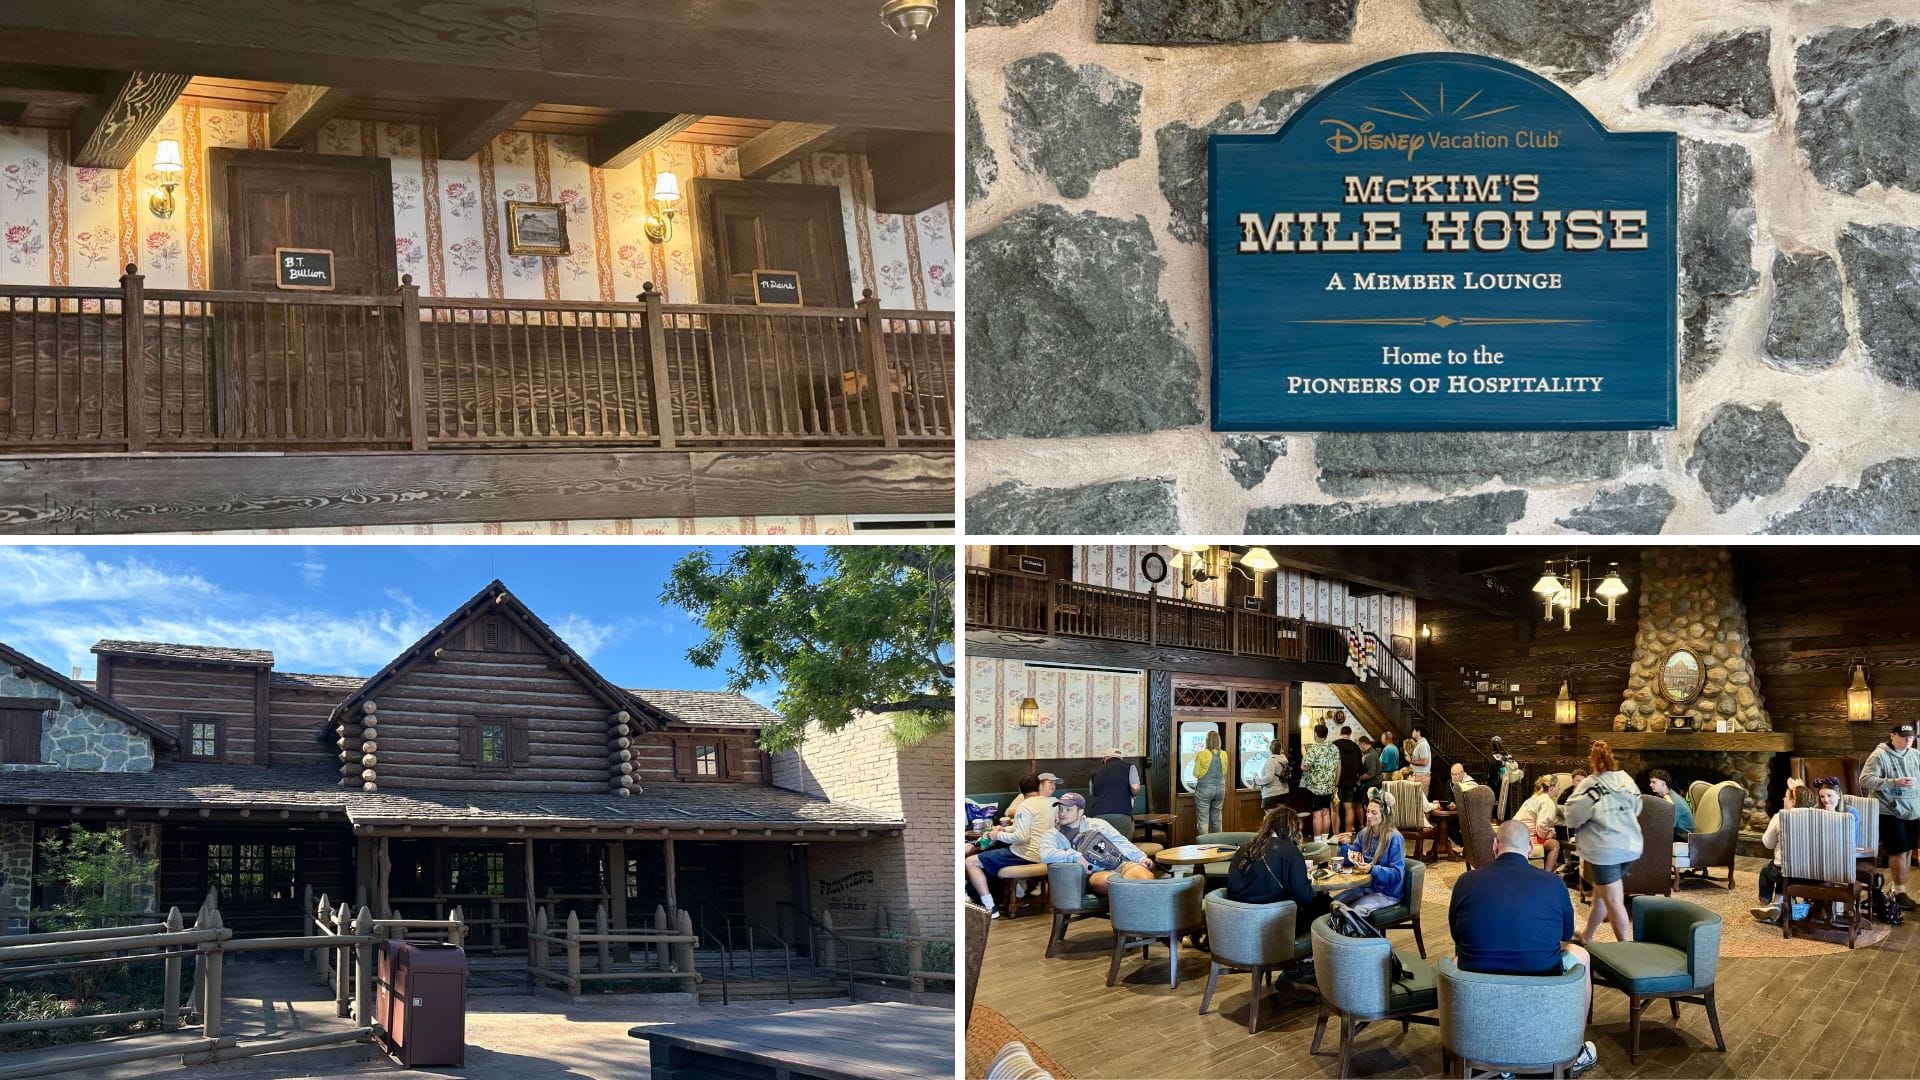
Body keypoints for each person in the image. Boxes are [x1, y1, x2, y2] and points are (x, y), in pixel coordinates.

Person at [1450, 819, 1599, 1077]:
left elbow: (1458, 937)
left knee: (1453, 960)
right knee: (1581, 956)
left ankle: (1479, 1047)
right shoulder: (1554, 883)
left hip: (1478, 984)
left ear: (1496, 845)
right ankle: (1573, 1052)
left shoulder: (1465, 881)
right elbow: (1565, 936)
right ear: (1530, 849)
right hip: (1540, 981)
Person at [1565, 740, 1642, 944]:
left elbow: (1573, 815)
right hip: (1631, 847)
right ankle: (1587, 934)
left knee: (1614, 901)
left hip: (1605, 852)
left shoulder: (1590, 784)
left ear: (1592, 760)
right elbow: (1638, 806)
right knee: (1601, 893)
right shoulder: (1625, 779)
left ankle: (1626, 951)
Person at [1225, 805, 1332, 924]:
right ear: (1292, 828)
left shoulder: (1243, 848)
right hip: (1273, 921)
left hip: (1237, 919)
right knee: (1326, 902)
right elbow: (1304, 897)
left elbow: (1231, 888)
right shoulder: (1290, 851)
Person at [965, 786, 1057, 919]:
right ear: (1038, 787)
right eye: (1050, 782)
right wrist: (1005, 830)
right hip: (1044, 853)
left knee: (970, 861)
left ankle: (990, 907)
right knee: (991, 853)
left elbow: (1021, 837)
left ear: (1021, 790)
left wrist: (997, 836)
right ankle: (1016, 894)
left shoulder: (1024, 805)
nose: (1052, 785)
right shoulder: (1048, 804)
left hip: (1025, 855)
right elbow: (1025, 828)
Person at [1039, 793, 1157, 893]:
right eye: (1060, 809)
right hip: (1095, 872)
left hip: (1119, 863)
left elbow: (1121, 842)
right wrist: (1076, 856)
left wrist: (1141, 858)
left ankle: (1144, 917)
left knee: (1145, 879)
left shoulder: (1098, 824)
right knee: (1116, 884)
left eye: (1068, 809)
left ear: (1080, 812)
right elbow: (1045, 854)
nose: (1062, 813)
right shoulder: (1052, 835)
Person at [1860, 722, 1920, 911]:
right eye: (1903, 737)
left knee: (1909, 849)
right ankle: (1899, 892)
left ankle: (1899, 890)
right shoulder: (1879, 755)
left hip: (1913, 809)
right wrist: (1893, 782)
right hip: (1889, 810)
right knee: (1898, 849)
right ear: (1892, 736)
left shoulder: (1915, 755)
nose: (1907, 741)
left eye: (1910, 738)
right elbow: (1865, 779)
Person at [1752, 784, 1820, 923]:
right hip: (1813, 874)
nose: (1783, 799)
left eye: (1786, 796)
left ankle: (1766, 906)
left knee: (1767, 869)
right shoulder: (1818, 817)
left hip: (1785, 873)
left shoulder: (1780, 816)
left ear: (1793, 801)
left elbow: (1767, 843)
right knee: (1781, 867)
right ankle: (1778, 904)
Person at [1332, 789, 1405, 916]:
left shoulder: (1395, 838)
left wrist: (1372, 869)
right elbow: (1350, 861)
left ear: (1385, 816)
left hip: (1387, 893)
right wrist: (1344, 846)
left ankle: (1354, 935)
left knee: (1353, 911)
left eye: (1374, 813)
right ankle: (1334, 934)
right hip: (1365, 887)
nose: (1368, 816)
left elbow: (1397, 875)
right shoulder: (1364, 834)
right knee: (1334, 904)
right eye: (1367, 811)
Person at [1301, 722, 1342, 839]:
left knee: (1317, 814)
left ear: (1315, 734)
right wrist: (1335, 784)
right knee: (1326, 812)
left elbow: (1304, 767)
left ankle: (1318, 841)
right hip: (1330, 786)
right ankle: (1324, 840)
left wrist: (1304, 754)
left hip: (1315, 788)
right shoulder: (1334, 748)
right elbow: (1339, 767)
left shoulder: (1314, 748)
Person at [1515, 776, 1562, 873]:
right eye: (1558, 786)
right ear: (1551, 788)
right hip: (1525, 837)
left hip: (1515, 834)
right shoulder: (1548, 802)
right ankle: (1546, 876)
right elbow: (1541, 826)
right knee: (1555, 844)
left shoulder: (1535, 797)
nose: (1559, 788)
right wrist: (1547, 834)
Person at [1192, 730, 1228, 835]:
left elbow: (1196, 773)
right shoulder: (1224, 754)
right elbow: (1224, 771)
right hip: (1220, 789)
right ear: (1218, 741)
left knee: (1203, 822)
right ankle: (1218, 845)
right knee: (1217, 820)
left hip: (1205, 789)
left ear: (1207, 741)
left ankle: (1205, 847)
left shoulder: (1201, 754)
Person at [1089, 751, 1140, 819]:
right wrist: (1134, 795)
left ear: (1106, 758)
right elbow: (1135, 788)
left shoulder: (1095, 773)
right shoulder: (1130, 767)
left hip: (1098, 814)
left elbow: (1092, 793)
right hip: (1122, 814)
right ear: (1120, 758)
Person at [1647, 770, 1694, 841]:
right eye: (1651, 782)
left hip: (1683, 836)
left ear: (1663, 783)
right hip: (1675, 830)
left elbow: (1669, 826)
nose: (1650, 785)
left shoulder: (1673, 800)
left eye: (1654, 782)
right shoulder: (1662, 795)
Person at [1334, 725, 1364, 832]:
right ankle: (1347, 834)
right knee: (1349, 808)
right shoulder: (1356, 748)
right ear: (1350, 734)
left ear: (1341, 733)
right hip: (1351, 782)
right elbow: (1360, 767)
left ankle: (1336, 835)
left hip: (1336, 783)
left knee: (1335, 810)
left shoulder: (1334, 745)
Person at [1255, 735, 1290, 810]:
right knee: (1280, 817)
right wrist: (1268, 742)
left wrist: (1256, 779)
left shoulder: (1270, 761)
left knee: (1270, 818)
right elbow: (1278, 750)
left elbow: (1268, 778)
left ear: (1270, 749)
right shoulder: (1284, 759)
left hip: (1272, 794)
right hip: (1284, 792)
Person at [1408, 725, 1433, 796]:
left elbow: (1424, 762)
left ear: (1418, 732)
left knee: (1421, 802)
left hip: (1421, 777)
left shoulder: (1423, 744)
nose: (1412, 733)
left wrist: (1410, 761)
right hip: (1417, 776)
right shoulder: (1419, 744)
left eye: (1413, 731)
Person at [1358, 735, 1382, 804]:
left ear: (1363, 744)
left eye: (1359, 745)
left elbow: (1370, 774)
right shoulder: (1367, 753)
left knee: (1371, 805)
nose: (1359, 747)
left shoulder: (1370, 755)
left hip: (1373, 784)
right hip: (1371, 784)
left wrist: (1358, 778)